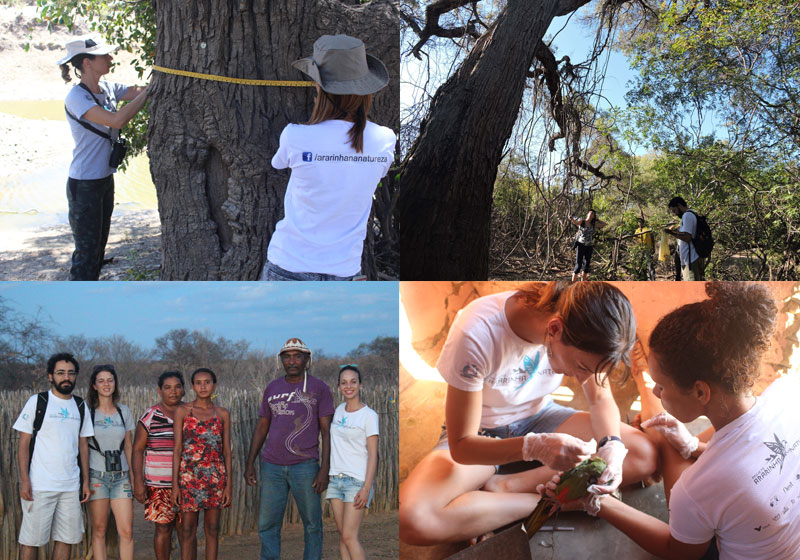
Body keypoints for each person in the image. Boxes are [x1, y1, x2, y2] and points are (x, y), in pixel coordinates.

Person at [542, 282, 800, 559]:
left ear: (700, 392)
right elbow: (753, 456)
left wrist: (597, 502)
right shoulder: (789, 391)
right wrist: (692, 445)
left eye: (662, 386)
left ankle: (645, 389)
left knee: (665, 443)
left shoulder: (694, 489)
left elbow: (678, 552)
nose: (656, 392)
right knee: (668, 437)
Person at [398, 282, 657, 545]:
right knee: (414, 520)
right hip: (481, 432)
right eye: (581, 366)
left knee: (643, 454)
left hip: (541, 415)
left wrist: (611, 445)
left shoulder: (582, 320)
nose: (581, 377)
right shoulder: (477, 331)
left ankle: (505, 487)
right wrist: (534, 447)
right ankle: (562, 503)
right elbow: (462, 445)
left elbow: (600, 397)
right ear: (554, 329)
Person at [260, 35, 396, 281]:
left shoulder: (295, 135)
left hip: (288, 266)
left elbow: (278, 163)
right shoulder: (385, 140)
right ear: (365, 90)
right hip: (345, 271)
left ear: (319, 88)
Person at [57, 34, 149, 280]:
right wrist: (149, 94)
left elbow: (135, 91)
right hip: (84, 184)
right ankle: (79, 297)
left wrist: (154, 85)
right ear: (87, 62)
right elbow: (117, 120)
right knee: (86, 254)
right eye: (104, 55)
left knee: (98, 249)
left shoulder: (107, 88)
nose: (110, 58)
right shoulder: (77, 97)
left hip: (104, 179)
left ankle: (93, 295)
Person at [244, 338, 335, 560]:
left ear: (306, 359)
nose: (292, 361)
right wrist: (250, 463)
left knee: (312, 523)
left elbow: (326, 431)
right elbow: (262, 426)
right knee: (268, 524)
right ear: (281, 360)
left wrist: (324, 469)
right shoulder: (273, 388)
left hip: (305, 466)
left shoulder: (319, 388)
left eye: (297, 356)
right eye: (287, 357)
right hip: (272, 465)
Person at [13, 353, 94, 560]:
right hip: (40, 485)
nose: (66, 377)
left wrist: (85, 481)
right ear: (50, 376)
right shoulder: (37, 402)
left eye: (71, 373)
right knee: (31, 541)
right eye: (60, 373)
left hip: (70, 486)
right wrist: (25, 480)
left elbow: (83, 445)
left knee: (66, 539)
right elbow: (23, 445)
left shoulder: (80, 406)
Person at [171, 368, 232, 560]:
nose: (203, 386)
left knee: (212, 528)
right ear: (192, 386)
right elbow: (177, 449)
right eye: (198, 383)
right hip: (189, 478)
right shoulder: (183, 411)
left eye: (207, 382)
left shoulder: (222, 413)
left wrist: (228, 485)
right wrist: (175, 485)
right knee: (187, 529)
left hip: (215, 478)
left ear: (215, 385)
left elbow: (226, 451)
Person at [326, 365, 379, 560]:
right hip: (335, 480)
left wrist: (366, 488)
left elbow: (373, 455)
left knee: (350, 536)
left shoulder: (369, 416)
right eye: (344, 383)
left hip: (356, 482)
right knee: (343, 537)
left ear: (360, 385)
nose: (348, 386)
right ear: (339, 387)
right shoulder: (339, 410)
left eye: (353, 382)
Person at [132, 371, 186, 560]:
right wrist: (138, 482)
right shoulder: (150, 416)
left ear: (184, 389)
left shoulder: (190, 413)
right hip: (158, 484)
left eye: (177, 387)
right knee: (163, 528)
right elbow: (137, 449)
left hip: (187, 483)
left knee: (186, 528)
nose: (173, 391)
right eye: (167, 387)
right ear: (159, 390)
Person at [86, 364, 135, 560]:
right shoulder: (88, 412)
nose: (106, 384)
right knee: (99, 530)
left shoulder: (124, 411)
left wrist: (133, 476)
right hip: (96, 476)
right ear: (94, 385)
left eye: (110, 380)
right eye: (101, 381)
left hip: (121, 477)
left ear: (115, 383)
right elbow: (82, 446)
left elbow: (129, 446)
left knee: (127, 531)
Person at [664, 196, 704, 281]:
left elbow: (687, 237)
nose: (675, 213)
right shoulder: (691, 214)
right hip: (690, 259)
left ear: (679, 205)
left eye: (674, 210)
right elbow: (688, 233)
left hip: (690, 259)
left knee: (691, 285)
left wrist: (671, 233)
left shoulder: (687, 215)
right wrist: (677, 231)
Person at [568, 210, 606, 281]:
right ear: (587, 214)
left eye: (592, 213)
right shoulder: (582, 221)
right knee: (578, 265)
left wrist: (597, 219)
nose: (591, 213)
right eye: (590, 212)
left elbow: (604, 224)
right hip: (581, 245)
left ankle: (583, 283)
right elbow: (575, 222)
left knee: (586, 265)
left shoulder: (593, 224)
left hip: (589, 246)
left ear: (593, 216)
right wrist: (572, 219)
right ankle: (573, 283)